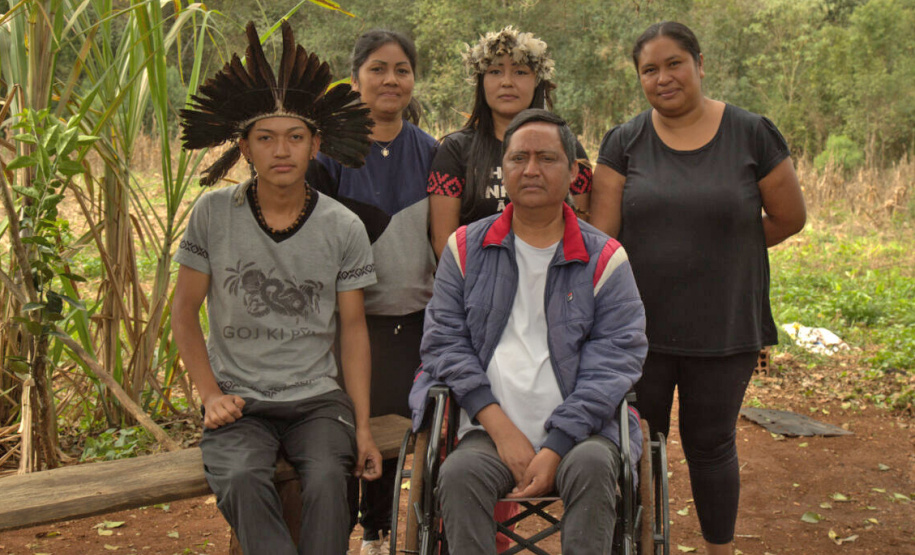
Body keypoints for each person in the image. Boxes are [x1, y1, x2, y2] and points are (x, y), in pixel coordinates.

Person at [589, 21, 806, 555]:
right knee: (637, 444)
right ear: (639, 77)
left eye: (674, 64)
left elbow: (788, 217)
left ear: (700, 64)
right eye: (649, 69)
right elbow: (602, 235)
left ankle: (718, 549)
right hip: (639, 329)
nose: (663, 78)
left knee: (711, 446)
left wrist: (724, 250)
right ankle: (636, 546)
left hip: (724, 325)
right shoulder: (624, 140)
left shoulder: (752, 132)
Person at [171, 21, 383, 555]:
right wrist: (211, 396)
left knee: (329, 483)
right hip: (239, 401)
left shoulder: (342, 227)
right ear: (244, 146)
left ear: (316, 144)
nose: (280, 150)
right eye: (265, 137)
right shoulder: (213, 214)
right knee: (241, 476)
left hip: (318, 400)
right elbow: (184, 313)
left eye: (295, 137)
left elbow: (353, 331)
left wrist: (360, 427)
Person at [410, 109, 648, 554]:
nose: (532, 169)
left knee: (597, 466)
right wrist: (500, 429)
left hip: (582, 433)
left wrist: (556, 445)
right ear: (504, 168)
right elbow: (444, 341)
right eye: (519, 158)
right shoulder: (464, 249)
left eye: (547, 158)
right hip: (487, 429)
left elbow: (616, 360)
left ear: (575, 172)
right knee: (459, 475)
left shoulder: (605, 259)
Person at [307, 29, 437, 555]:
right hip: (345, 325)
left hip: (413, 321)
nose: (390, 79)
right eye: (377, 69)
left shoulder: (433, 152)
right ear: (355, 75)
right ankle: (330, 540)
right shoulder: (327, 156)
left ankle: (378, 537)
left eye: (401, 69)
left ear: (413, 79)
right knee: (339, 442)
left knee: (393, 436)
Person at [427, 26, 593, 259]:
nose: (507, 82)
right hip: (477, 285)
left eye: (520, 72)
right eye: (495, 72)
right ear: (481, 81)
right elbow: (444, 241)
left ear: (537, 80)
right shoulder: (455, 151)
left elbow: (582, 232)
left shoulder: (567, 148)